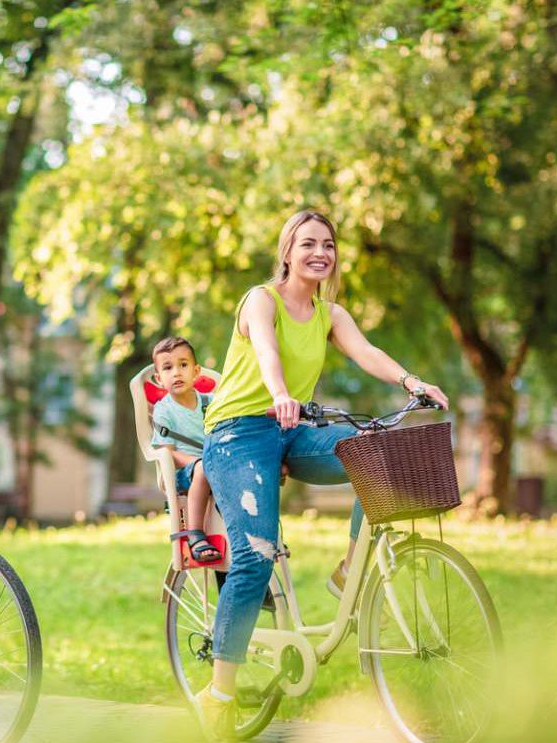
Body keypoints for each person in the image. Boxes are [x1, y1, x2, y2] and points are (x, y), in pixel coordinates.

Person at [191, 210, 448, 740]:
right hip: (238, 434)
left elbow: (367, 352)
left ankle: (350, 565)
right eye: (308, 243)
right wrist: (281, 393)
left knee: (374, 450)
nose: (319, 253)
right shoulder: (261, 300)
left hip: (292, 429)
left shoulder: (330, 314)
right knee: (254, 559)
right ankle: (219, 694)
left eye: (327, 245)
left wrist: (411, 381)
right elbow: (264, 348)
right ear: (287, 251)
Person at [150, 336, 222, 564]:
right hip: (185, 472)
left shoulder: (211, 403)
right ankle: (196, 534)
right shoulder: (164, 411)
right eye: (168, 368)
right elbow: (167, 451)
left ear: (196, 371)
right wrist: (199, 462)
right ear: (158, 378)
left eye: (183, 365)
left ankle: (253, 539)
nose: (176, 373)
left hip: (216, 464)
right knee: (203, 468)